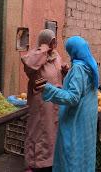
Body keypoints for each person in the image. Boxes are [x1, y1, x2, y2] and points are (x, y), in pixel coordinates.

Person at [35, 36, 99, 172]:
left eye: (69, 50)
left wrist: (48, 89)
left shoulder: (79, 69)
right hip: (86, 122)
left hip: (75, 121)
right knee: (84, 156)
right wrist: (62, 87)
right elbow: (81, 92)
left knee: (71, 156)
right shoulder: (90, 64)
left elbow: (73, 98)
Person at [21, 29, 68, 172]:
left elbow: (57, 73)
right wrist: (44, 49)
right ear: (45, 42)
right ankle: (36, 163)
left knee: (51, 132)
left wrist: (64, 70)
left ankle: (50, 162)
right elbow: (29, 64)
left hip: (55, 100)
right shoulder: (35, 56)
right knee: (39, 132)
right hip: (41, 102)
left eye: (55, 41)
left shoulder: (56, 56)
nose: (54, 45)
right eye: (51, 42)